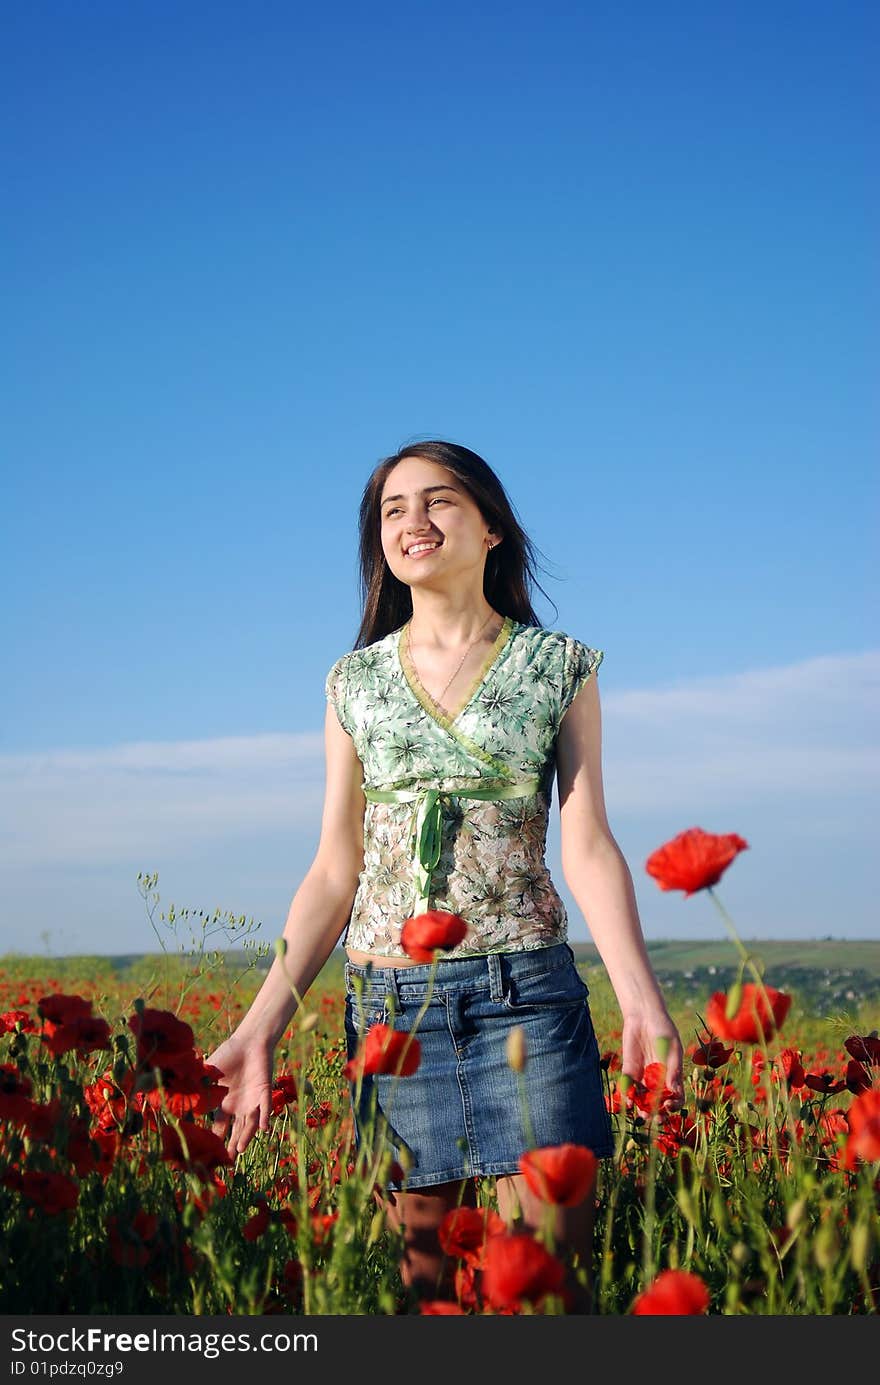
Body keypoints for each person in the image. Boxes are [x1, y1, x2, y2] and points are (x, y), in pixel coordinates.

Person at [208, 439, 684, 1312]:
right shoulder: (353, 683)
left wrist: (642, 1000)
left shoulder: (558, 666)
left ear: (492, 528)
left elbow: (587, 843)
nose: (413, 523)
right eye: (393, 510)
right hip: (396, 1015)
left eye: (439, 502)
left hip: (527, 999)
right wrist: (261, 1026)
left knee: (543, 1293)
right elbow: (332, 869)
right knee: (423, 1297)